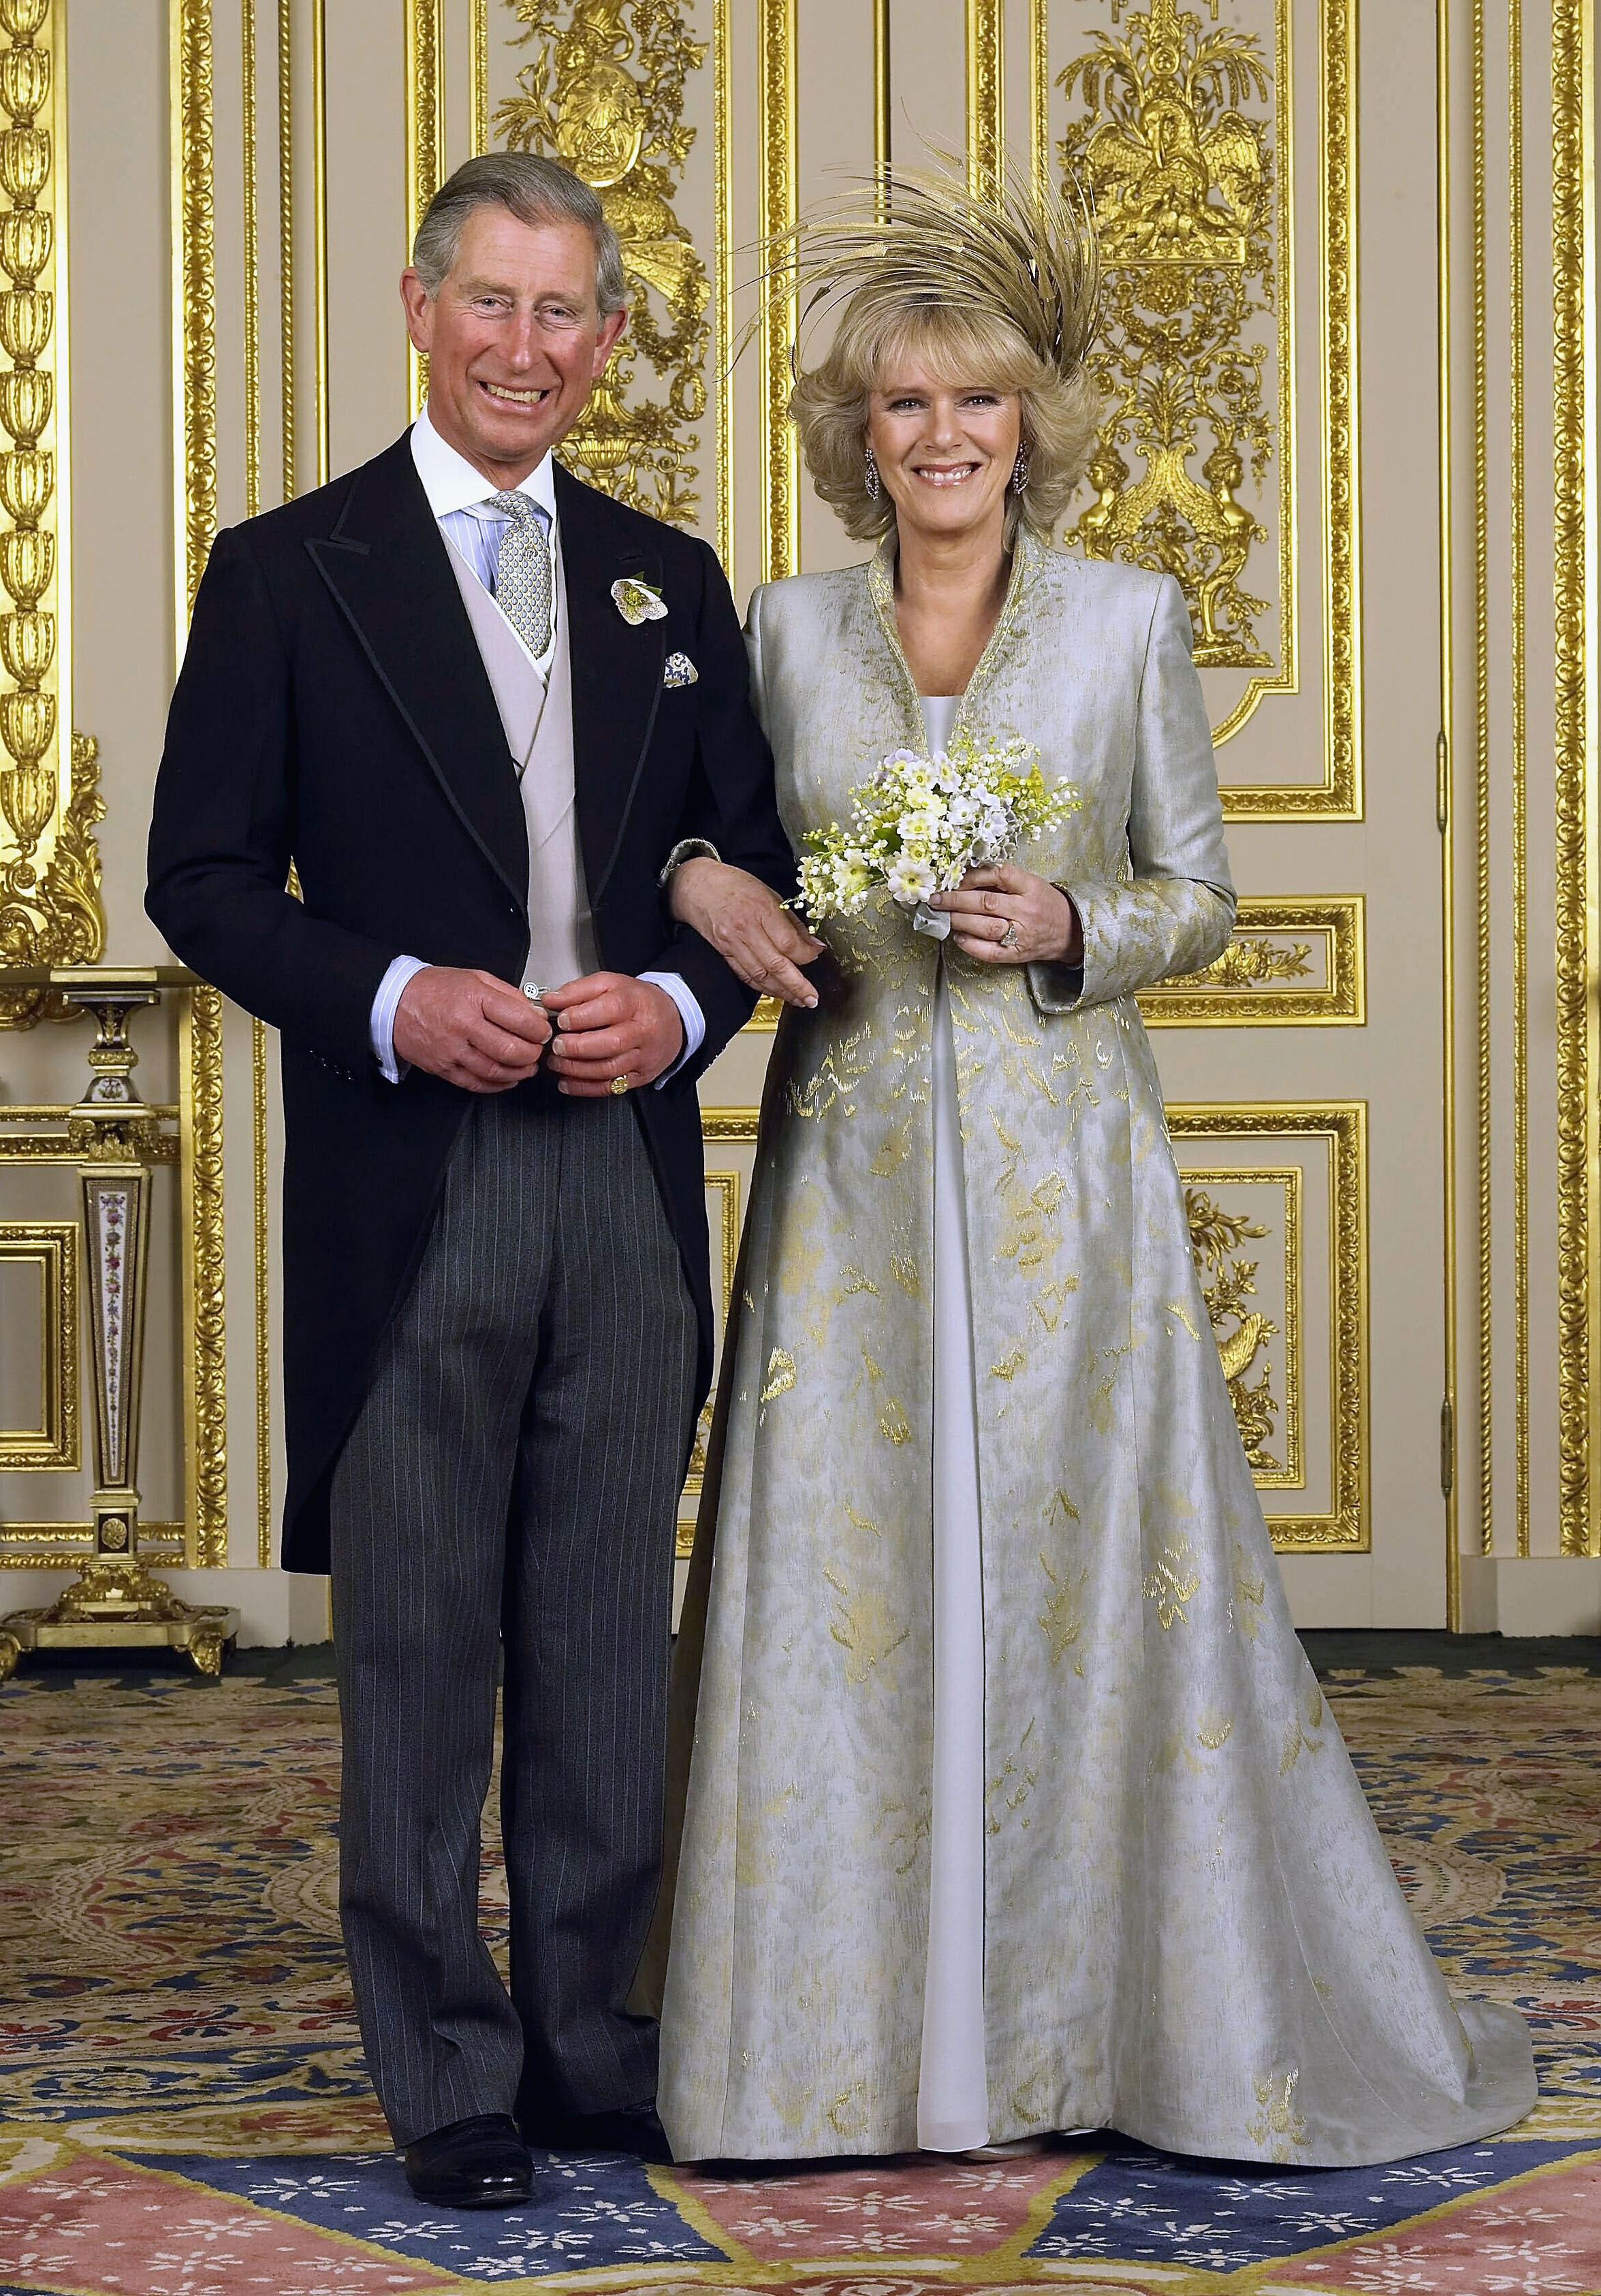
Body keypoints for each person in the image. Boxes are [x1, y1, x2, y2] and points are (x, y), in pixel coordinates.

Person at [651, 165, 1537, 2167]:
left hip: (1071, 1192)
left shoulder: (1131, 619)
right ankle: (821, 2059)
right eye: (903, 407)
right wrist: (723, 885)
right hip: (854, 1185)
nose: (945, 438)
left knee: (1070, 1579)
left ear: (1031, 423)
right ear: (854, 438)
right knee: (853, 1580)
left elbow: (1200, 894)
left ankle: (1092, 2034)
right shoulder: (782, 634)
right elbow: (705, 845)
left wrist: (1073, 928)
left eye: (976, 404)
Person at [145, 153, 810, 2210]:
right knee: (425, 1638)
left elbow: (749, 867)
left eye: (565, 315)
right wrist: (397, 993)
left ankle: (587, 2034)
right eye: (492, 305)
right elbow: (200, 882)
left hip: (615, 1168)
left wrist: (684, 1019)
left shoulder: (667, 575)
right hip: (413, 1173)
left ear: (606, 344)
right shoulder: (284, 570)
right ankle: (443, 2060)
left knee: (608, 1627)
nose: (527, 349)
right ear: (420, 309)